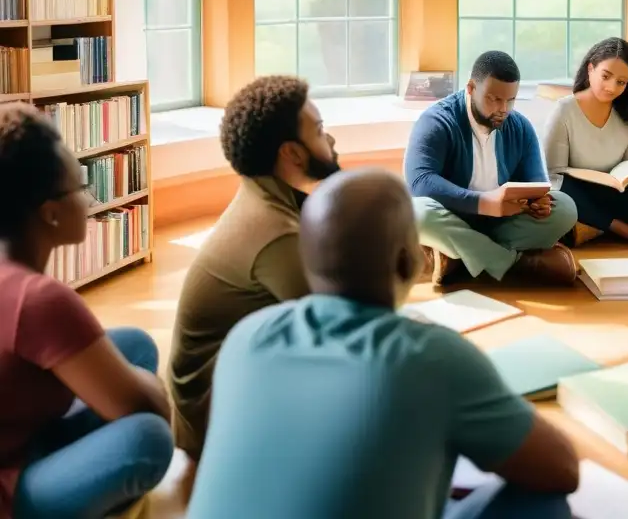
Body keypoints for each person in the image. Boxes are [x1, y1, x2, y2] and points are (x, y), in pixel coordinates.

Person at [188, 169, 578, 519]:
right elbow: (562, 470)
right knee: (543, 505)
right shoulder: (432, 356)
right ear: (413, 263)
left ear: (307, 258)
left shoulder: (246, 336)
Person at [0, 103, 173, 519]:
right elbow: (152, 411)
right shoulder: (40, 300)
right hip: (9, 482)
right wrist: (147, 390)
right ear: (51, 214)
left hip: (20, 432)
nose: (90, 198)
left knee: (134, 344)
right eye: (81, 186)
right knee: (149, 437)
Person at [167, 75, 340, 463]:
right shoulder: (275, 233)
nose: (330, 140)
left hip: (224, 387)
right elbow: (339, 331)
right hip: (213, 418)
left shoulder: (263, 196)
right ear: (292, 154)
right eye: (320, 130)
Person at [406, 51, 578, 286]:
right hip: (453, 217)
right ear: (470, 88)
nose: (503, 109)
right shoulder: (437, 121)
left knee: (566, 209)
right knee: (417, 214)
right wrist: (484, 202)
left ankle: (460, 256)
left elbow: (535, 184)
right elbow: (420, 181)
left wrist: (540, 203)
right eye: (494, 99)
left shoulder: (520, 127)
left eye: (510, 100)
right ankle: (511, 264)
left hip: (501, 224)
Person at [543, 38, 628, 246]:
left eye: (621, 82)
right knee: (559, 189)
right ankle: (618, 227)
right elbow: (552, 174)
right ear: (590, 69)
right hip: (578, 191)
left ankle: (591, 224)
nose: (611, 87)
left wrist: (621, 182)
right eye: (605, 76)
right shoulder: (564, 111)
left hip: (615, 193)